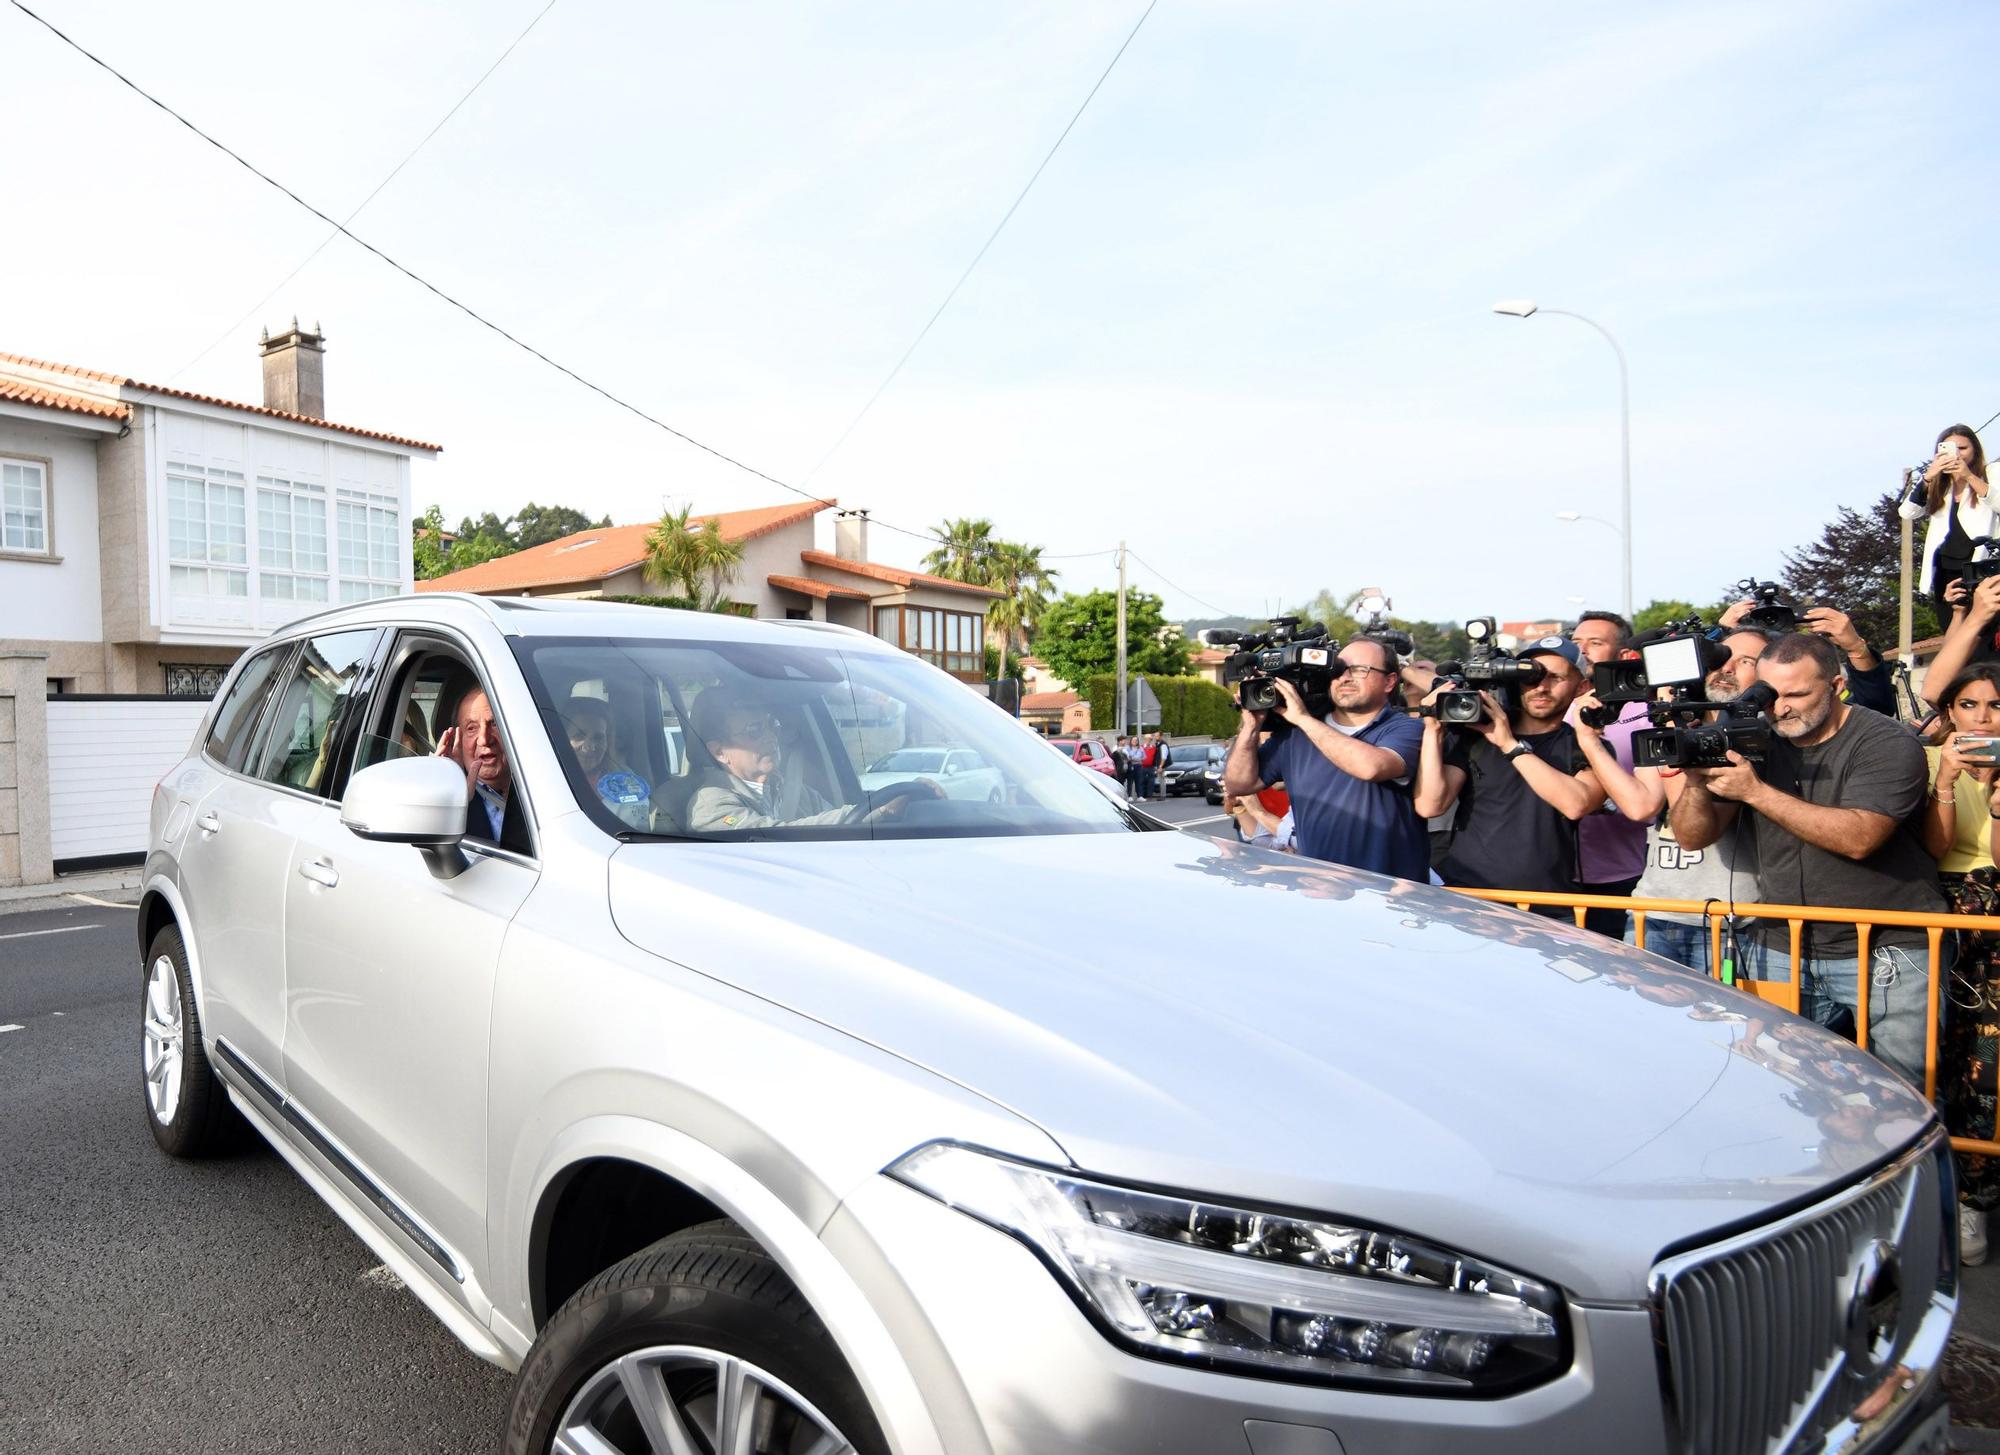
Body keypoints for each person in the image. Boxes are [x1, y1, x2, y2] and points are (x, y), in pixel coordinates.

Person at [1668, 633, 1944, 1087]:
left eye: (1798, 694)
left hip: (1886, 949)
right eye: (1769, 694)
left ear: (1837, 686)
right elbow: (1692, 836)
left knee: (1899, 1091)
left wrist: (1755, 791)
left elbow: (1860, 837)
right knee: (1781, 1085)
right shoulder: (1756, 736)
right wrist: (1698, 782)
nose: (1780, 708)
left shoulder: (1885, 741)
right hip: (1783, 944)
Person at [1579, 626, 1776, 977]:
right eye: (1718, 658)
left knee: (1724, 1029)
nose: (1726, 668)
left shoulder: (1765, 736)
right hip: (1654, 910)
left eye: (1746, 660)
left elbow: (1695, 833)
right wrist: (1590, 742)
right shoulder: (1668, 728)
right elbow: (1641, 805)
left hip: (1730, 918)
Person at [1414, 635, 1607, 899]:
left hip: (1546, 903)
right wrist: (1433, 730)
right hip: (1468, 898)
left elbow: (1576, 804)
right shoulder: (1475, 734)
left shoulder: (1586, 743)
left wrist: (1509, 744)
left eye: (1556, 678)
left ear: (1581, 687)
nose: (1541, 687)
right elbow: (1429, 805)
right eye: (1531, 676)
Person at [1223, 637, 1426, 878]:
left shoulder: (1405, 729)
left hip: (1391, 892)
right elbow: (1239, 784)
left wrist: (1303, 719)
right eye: (1338, 670)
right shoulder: (1295, 736)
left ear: (1390, 681)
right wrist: (1251, 726)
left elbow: (1372, 767)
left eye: (1360, 670)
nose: (1345, 677)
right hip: (1320, 888)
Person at [1921, 660, 2000, 1263]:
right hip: (1939, 910)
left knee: (1987, 1060)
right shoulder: (1924, 762)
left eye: (1994, 707)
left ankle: (1974, 1199)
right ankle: (1929, 1192)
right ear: (1949, 713)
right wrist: (1946, 783)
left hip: (1993, 910)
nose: (1981, 718)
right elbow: (1936, 848)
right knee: (1934, 1047)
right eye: (1969, 705)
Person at [686, 687, 938, 832]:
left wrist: (902, 800)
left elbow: (845, 820)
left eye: (772, 725)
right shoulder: (710, 804)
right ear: (719, 751)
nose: (771, 737)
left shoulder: (791, 790)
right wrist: (882, 810)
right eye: (754, 731)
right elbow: (772, 836)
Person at [1567, 611, 1649, 937]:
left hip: (1620, 876)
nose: (1583, 649)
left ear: (1624, 655)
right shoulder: (1555, 710)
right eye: (1577, 642)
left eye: (1595, 643)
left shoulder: (1646, 713)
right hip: (1555, 877)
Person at [435, 679, 531, 854]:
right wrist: (446, 797)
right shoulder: (453, 796)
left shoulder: (543, 786)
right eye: (471, 728)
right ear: (457, 740)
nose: (484, 739)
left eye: (495, 724)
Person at [1917, 424, 1995, 624]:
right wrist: (1928, 477)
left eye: (1962, 448)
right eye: (1950, 448)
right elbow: (1907, 512)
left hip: (1981, 562)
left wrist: (1968, 476)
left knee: (1984, 627)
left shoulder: (1992, 472)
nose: (1957, 454)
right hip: (1946, 567)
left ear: (1975, 450)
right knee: (1952, 623)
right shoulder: (1940, 484)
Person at [562, 694, 657, 830]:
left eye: (598, 738)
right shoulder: (544, 780)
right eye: (579, 736)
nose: (590, 746)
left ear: (608, 741)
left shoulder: (627, 784)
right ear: (562, 738)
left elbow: (635, 836)